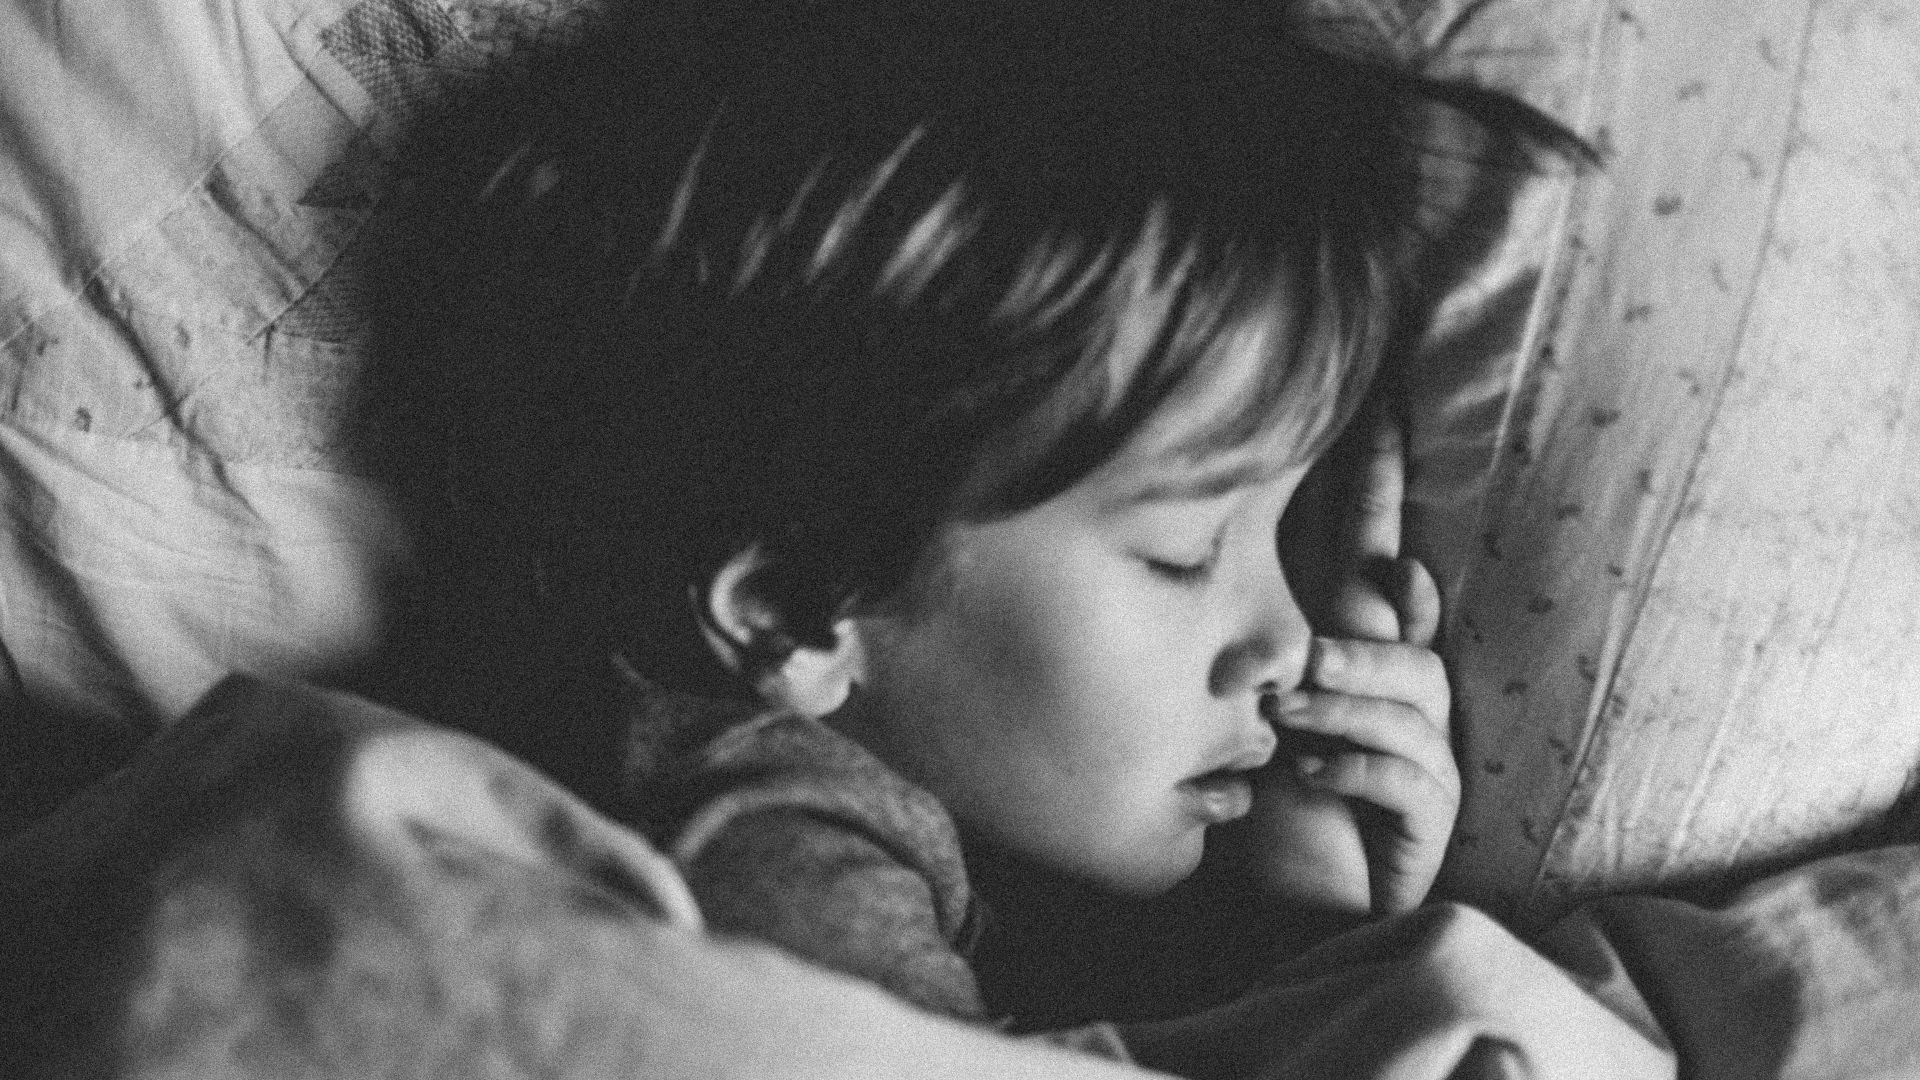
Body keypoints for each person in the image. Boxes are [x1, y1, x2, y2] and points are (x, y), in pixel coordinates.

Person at [364, 0, 1609, 1066]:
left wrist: (1283, 912)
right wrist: (1314, 951)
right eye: (1183, 554)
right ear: (796, 608)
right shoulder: (769, 840)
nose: (1287, 641)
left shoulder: (917, 795)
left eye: (1284, 529)